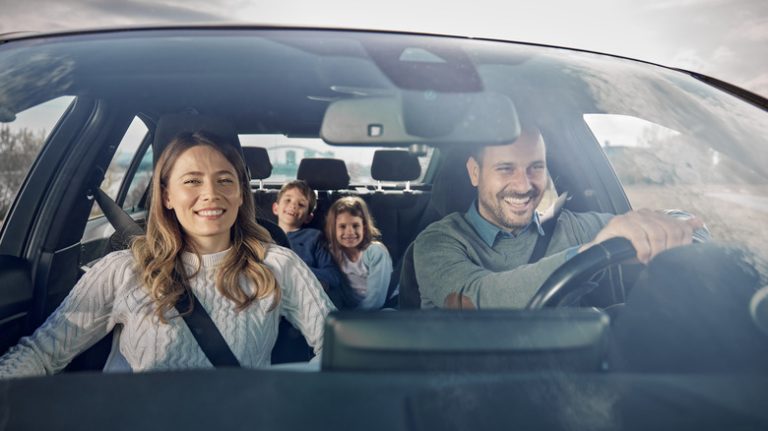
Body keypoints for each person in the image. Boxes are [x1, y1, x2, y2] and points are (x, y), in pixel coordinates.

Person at [0, 131, 334, 378]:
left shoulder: (278, 266)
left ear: (240, 194)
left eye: (224, 181)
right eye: (192, 181)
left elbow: (337, 351)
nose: (210, 194)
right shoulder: (123, 270)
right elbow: (42, 353)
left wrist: (280, 396)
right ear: (167, 196)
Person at [414, 125, 703, 309]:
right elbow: (476, 299)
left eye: (535, 167)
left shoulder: (574, 227)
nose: (524, 185)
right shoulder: (438, 242)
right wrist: (592, 252)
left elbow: (683, 223)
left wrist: (668, 228)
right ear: (475, 172)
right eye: (505, 168)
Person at [272, 180, 345, 308]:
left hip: (302, 298)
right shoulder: (263, 233)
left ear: (308, 217)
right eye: (288, 200)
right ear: (276, 208)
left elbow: (333, 276)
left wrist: (298, 270)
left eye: (301, 204)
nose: (293, 206)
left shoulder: (314, 237)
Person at [325, 196, 393, 310]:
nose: (350, 232)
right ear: (333, 229)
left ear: (364, 228)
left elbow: (376, 297)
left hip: (383, 304)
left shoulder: (375, 252)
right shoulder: (333, 252)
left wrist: (354, 317)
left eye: (356, 226)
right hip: (352, 307)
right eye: (342, 226)